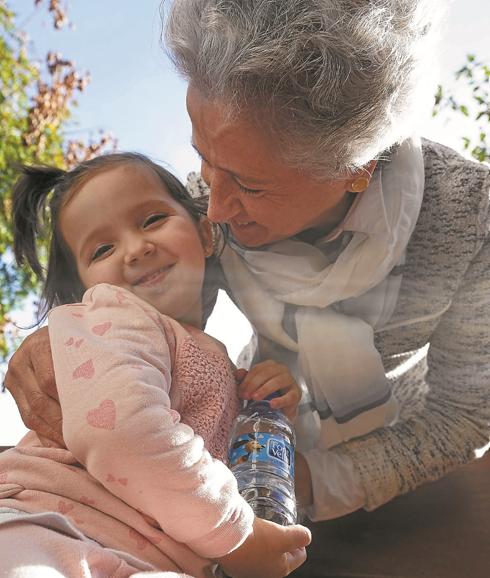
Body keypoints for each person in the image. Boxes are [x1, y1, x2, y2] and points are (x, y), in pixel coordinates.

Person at [5, 0, 490, 527]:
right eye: (203, 157)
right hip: (249, 442)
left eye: (251, 185)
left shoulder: (472, 219)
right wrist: (66, 342)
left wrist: (304, 481)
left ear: (358, 168)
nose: (213, 209)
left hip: (397, 464)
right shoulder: (196, 214)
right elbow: (141, 309)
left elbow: (462, 416)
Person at [0, 153, 311, 578]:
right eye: (103, 249)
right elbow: (123, 432)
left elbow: (212, 465)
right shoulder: (114, 315)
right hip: (45, 523)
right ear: (85, 289)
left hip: (148, 558)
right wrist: (236, 536)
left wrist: (264, 414)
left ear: (205, 234)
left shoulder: (210, 356)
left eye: (152, 220)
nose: (136, 249)